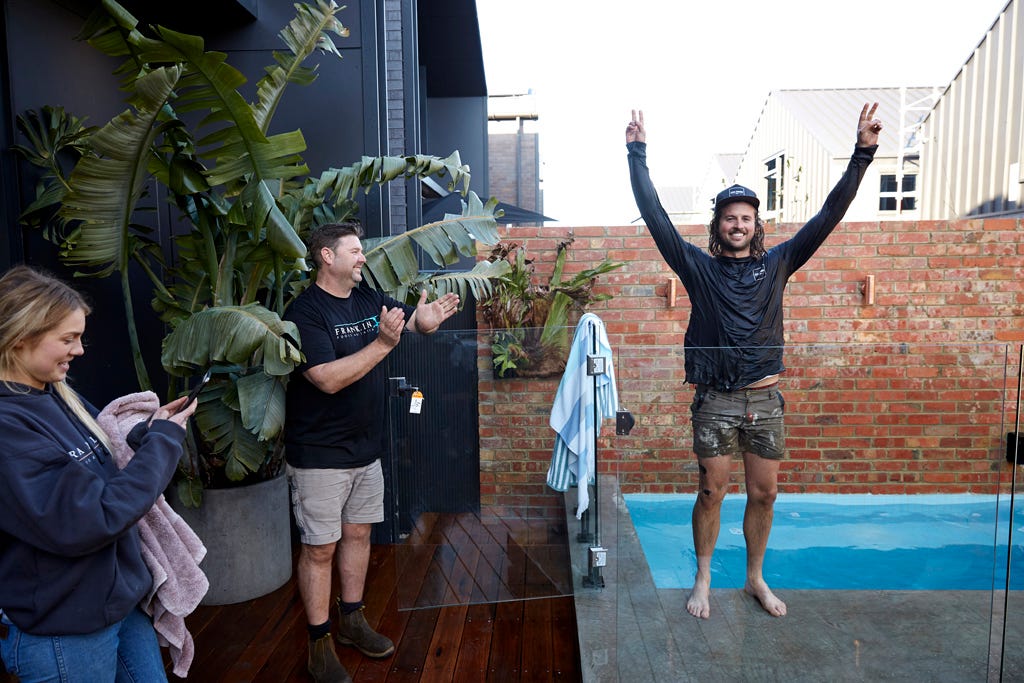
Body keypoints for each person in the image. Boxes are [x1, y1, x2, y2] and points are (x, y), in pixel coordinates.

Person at [625, 104, 882, 619]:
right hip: (717, 401)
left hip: (765, 400)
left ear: (755, 225)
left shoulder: (780, 263)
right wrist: (637, 154)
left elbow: (828, 214)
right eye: (729, 218)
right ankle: (702, 578)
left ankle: (754, 579)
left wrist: (863, 154)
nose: (738, 225)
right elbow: (655, 217)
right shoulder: (697, 267)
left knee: (764, 495)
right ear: (717, 226)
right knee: (711, 490)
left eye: (746, 218)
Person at [0, 264, 197, 682]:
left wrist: (151, 428)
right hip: (64, 632)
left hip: (117, 605)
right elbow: (92, 518)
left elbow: (107, 457)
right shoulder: (8, 426)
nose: (80, 350)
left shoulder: (54, 393)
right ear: (20, 339)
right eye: (68, 339)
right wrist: (163, 443)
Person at [283, 221, 461, 683]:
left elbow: (410, 320)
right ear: (328, 256)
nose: (363, 257)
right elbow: (325, 378)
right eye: (355, 250)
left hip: (367, 449)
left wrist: (425, 321)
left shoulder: (367, 297)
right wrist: (383, 344)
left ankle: (352, 620)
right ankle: (319, 642)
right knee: (320, 550)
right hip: (320, 456)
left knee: (359, 536)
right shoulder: (305, 312)